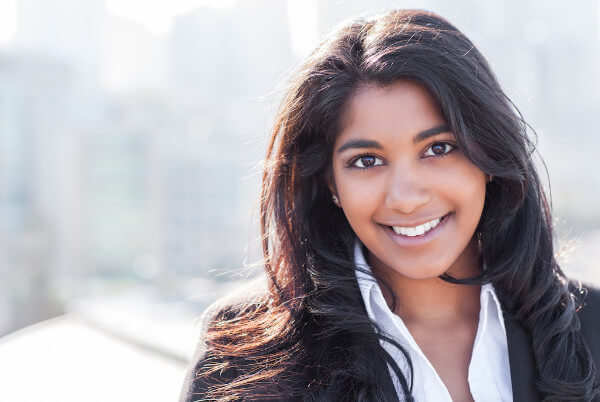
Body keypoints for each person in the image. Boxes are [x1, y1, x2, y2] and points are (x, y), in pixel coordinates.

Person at [179, 8, 600, 402]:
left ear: (489, 155)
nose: (405, 196)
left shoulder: (591, 326)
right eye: (367, 161)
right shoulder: (242, 353)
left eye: (439, 148)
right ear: (330, 182)